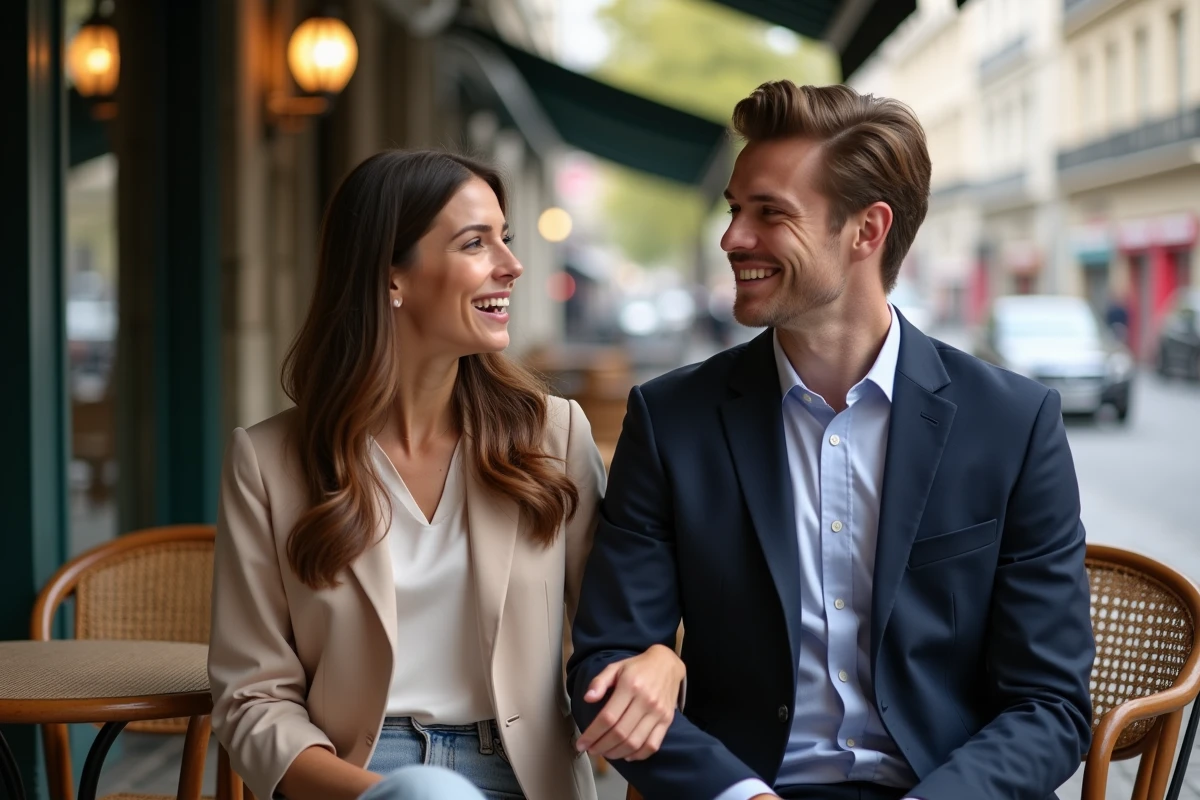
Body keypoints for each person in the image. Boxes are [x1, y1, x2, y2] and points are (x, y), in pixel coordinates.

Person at [567, 81, 1094, 800]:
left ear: (866, 231)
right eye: (734, 209)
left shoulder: (1013, 424)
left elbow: (1051, 704)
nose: (732, 239)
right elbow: (605, 667)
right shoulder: (672, 420)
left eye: (769, 212)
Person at [208, 149, 686, 800]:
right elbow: (252, 697)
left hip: (526, 775)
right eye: (475, 243)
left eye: (505, 238)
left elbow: (618, 631)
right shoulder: (268, 462)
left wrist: (660, 660)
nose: (512, 265)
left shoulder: (555, 436)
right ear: (391, 277)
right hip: (355, 780)